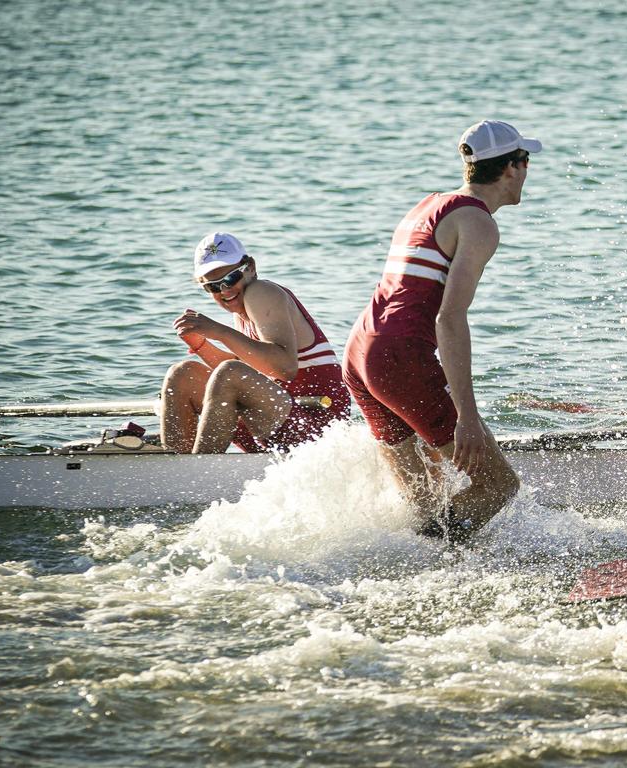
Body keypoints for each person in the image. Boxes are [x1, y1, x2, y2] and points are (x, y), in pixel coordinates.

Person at [343, 120, 541, 542]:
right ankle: (427, 561)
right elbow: (449, 318)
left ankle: (403, 564)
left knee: (424, 497)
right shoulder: (480, 224)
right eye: (526, 161)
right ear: (511, 168)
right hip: (398, 358)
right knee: (498, 487)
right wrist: (467, 417)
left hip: (360, 352)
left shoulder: (430, 204)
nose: (527, 171)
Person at [160, 232, 350, 453]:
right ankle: (175, 469)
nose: (225, 291)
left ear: (250, 267)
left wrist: (219, 331)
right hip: (278, 422)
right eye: (213, 287)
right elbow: (251, 369)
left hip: (318, 430)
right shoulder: (241, 311)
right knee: (183, 374)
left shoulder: (261, 292)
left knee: (230, 372)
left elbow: (284, 368)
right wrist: (202, 344)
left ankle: (198, 477)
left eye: (230, 278)